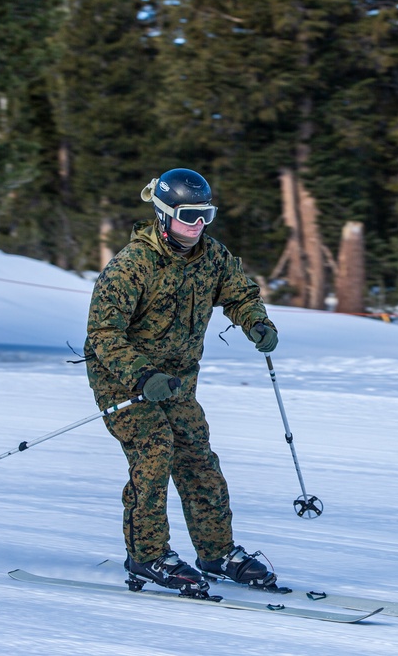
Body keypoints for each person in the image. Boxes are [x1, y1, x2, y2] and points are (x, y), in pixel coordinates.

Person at [84, 168, 280, 598]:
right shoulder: (132, 266)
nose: (197, 225)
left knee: (197, 455)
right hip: (122, 379)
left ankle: (217, 552)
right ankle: (147, 554)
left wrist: (256, 323)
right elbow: (103, 336)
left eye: (205, 215)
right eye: (189, 214)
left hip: (174, 382)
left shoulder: (212, 256)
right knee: (155, 447)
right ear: (164, 213)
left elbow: (240, 293)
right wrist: (141, 374)